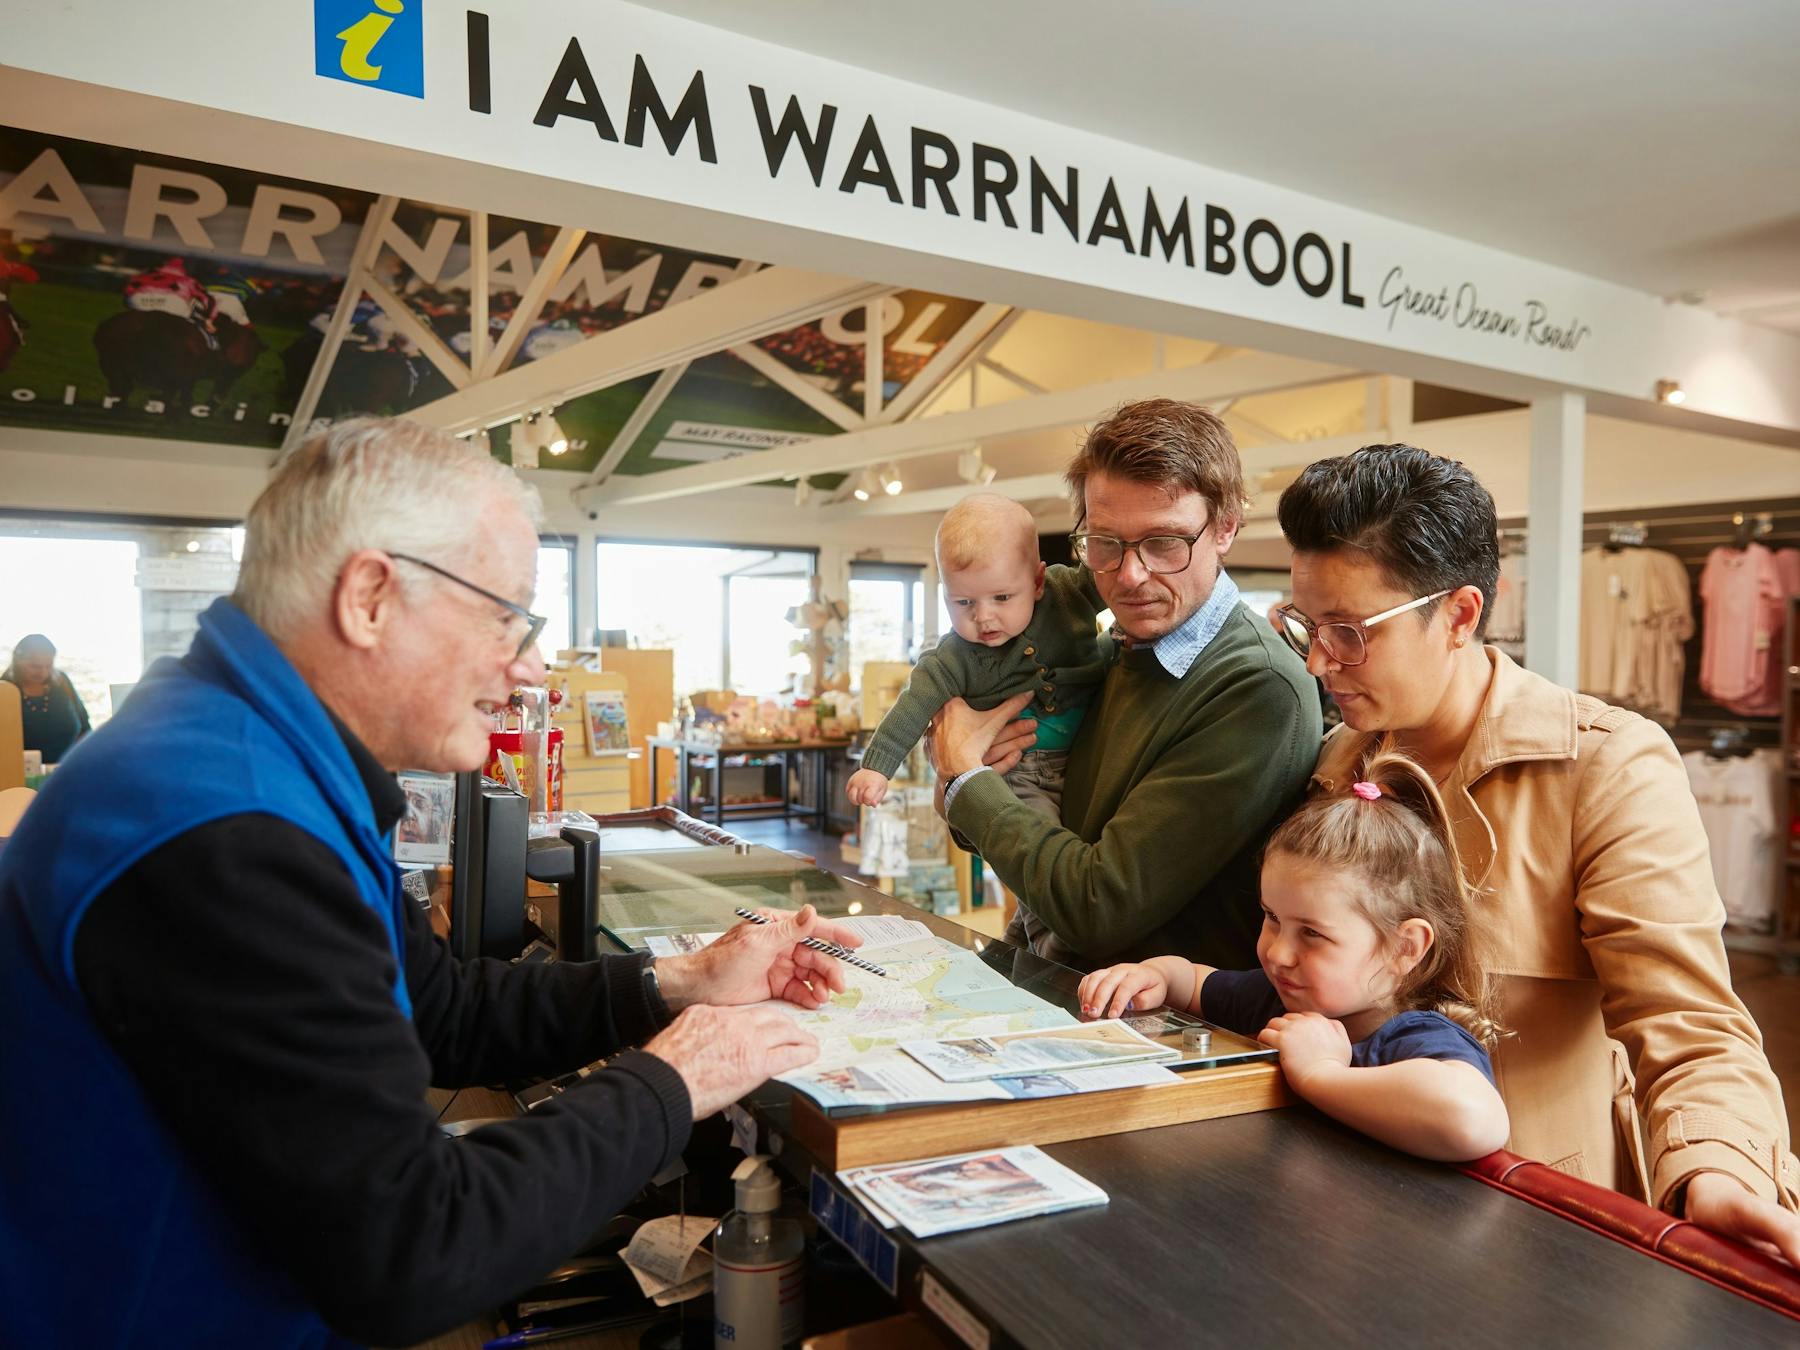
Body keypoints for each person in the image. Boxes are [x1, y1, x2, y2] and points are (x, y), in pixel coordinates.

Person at [0, 418, 861, 1347]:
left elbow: (435, 1007)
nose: (529, 667)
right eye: (507, 616)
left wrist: (680, 984)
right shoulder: (228, 828)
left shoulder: (256, 755)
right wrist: (676, 1078)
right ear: (370, 597)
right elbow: (412, 1249)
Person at [1274, 442, 1799, 1260]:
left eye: (1349, 632)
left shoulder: (1603, 765)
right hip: (1344, 1195)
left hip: (1536, 1228)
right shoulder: (1338, 766)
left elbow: (1688, 1022)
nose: (1317, 661)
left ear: (1458, 615)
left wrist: (1722, 1171)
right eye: (1306, 627)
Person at [927, 399, 1321, 969]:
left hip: (1163, 1038)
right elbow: (1035, 824)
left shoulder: (1256, 686)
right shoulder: (1115, 649)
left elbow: (1095, 907)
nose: (1131, 575)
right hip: (1060, 994)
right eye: (1105, 543)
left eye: (1165, 543)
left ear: (1227, 528)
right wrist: (966, 789)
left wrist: (967, 780)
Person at [1079, 749, 1510, 1162]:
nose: (1279, 953)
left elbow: (1474, 1120)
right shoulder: (1275, 997)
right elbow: (1192, 982)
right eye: (1271, 917)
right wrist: (1153, 975)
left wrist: (1321, 1073)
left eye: (1312, 933)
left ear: (1405, 948)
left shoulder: (1418, 1040)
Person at [847, 494, 1112, 958]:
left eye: (1001, 598)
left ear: (1037, 582)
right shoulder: (952, 657)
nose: (983, 617)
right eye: (963, 601)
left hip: (1086, 760)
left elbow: (1109, 576)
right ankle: (1056, 957)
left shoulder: (1067, 592)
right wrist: (877, 767)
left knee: (1075, 856)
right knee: (1038, 865)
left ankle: (1021, 953)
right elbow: (911, 708)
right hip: (1019, 773)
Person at [2, 633, 91, 765]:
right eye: (35, 667)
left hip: (68, 770)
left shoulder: (62, 682)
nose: (43, 672)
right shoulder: (5, 692)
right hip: (20, 777)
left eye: (48, 666)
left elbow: (85, 727)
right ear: (18, 661)